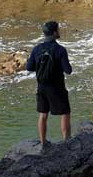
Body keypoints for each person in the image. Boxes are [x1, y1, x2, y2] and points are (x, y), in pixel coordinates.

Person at [25, 21, 72, 151]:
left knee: (43, 114)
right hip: (57, 87)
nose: (59, 32)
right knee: (65, 113)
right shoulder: (60, 50)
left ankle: (43, 143)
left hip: (41, 87)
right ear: (54, 33)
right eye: (58, 30)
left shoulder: (36, 49)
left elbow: (29, 67)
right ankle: (67, 141)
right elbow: (68, 70)